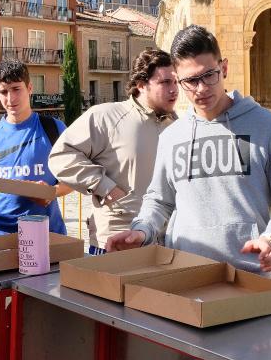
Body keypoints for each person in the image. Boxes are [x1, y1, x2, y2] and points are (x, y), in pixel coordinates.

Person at [106, 25, 271, 273]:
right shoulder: (172, 136)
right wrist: (142, 230)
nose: (201, 88)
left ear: (224, 68)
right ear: (179, 80)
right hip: (182, 274)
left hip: (247, 277)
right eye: (191, 81)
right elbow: (160, 200)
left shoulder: (268, 127)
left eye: (209, 76)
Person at [49, 49, 178, 254]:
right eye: (165, 83)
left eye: (176, 82)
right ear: (141, 85)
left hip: (164, 244)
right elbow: (60, 156)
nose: (174, 90)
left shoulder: (178, 125)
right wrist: (104, 186)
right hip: (114, 244)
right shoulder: (106, 117)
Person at [0, 59, 70, 234]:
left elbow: (74, 178)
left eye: (16, 89)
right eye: (3, 92)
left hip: (47, 235)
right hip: (0, 234)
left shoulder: (54, 128)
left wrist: (52, 192)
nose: (10, 98)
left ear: (29, 88)